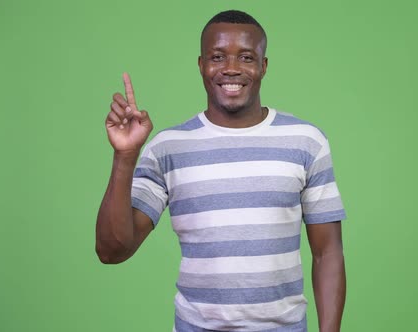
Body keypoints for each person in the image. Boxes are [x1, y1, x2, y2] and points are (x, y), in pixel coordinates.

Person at [96, 10, 346, 332]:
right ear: (201, 64)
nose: (231, 68)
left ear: (263, 66)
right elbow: (112, 250)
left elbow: (327, 253)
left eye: (246, 57)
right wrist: (125, 155)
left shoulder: (307, 141)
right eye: (217, 56)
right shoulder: (167, 148)